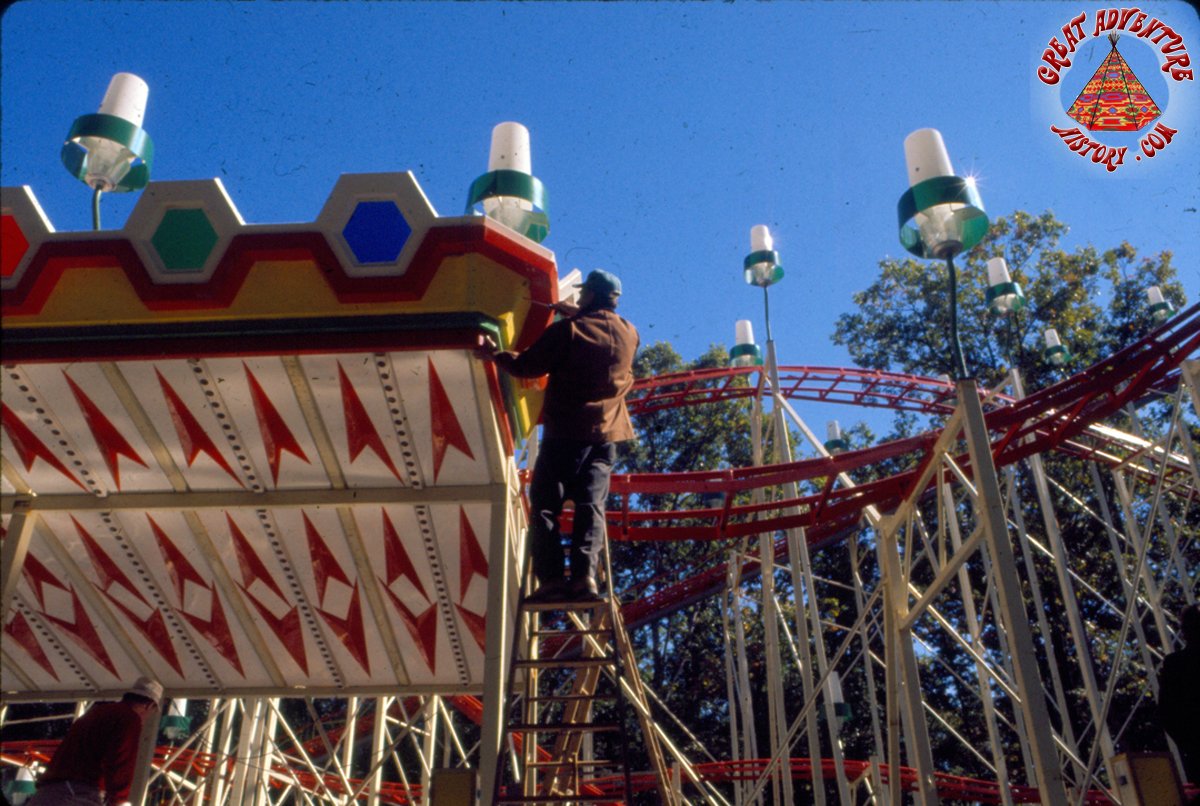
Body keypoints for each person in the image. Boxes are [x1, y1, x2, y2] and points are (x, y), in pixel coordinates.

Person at [478, 269, 638, 602]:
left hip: (565, 433)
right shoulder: (630, 334)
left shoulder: (569, 331)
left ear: (591, 295)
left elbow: (528, 366)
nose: (578, 299)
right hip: (606, 436)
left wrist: (495, 354)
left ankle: (550, 580)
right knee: (590, 506)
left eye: (583, 296)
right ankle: (585, 580)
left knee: (546, 507)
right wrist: (579, 314)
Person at [30, 677, 162, 806]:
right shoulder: (129, 719)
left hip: (47, 793)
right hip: (76, 794)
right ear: (150, 705)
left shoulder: (97, 712)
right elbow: (121, 762)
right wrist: (119, 800)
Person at [1160, 604, 1200, 794]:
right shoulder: (1175, 664)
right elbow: (1168, 714)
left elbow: (1168, 715)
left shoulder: (1175, 664)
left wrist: (1191, 747)